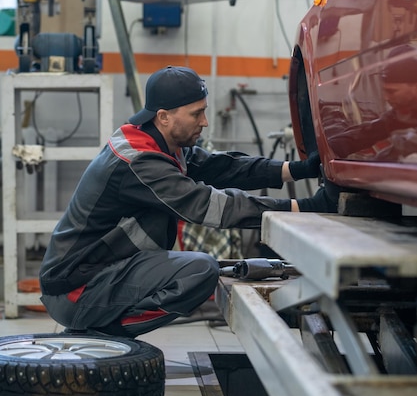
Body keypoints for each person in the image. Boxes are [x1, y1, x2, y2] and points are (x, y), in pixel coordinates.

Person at [39, 65, 338, 338]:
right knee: (200, 271)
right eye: (196, 113)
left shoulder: (160, 142)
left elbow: (224, 167)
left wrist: (296, 170)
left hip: (99, 270)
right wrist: (304, 208)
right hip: (75, 289)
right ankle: (99, 333)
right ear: (164, 116)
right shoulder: (140, 162)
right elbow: (210, 206)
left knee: (199, 263)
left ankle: (99, 325)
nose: (205, 122)